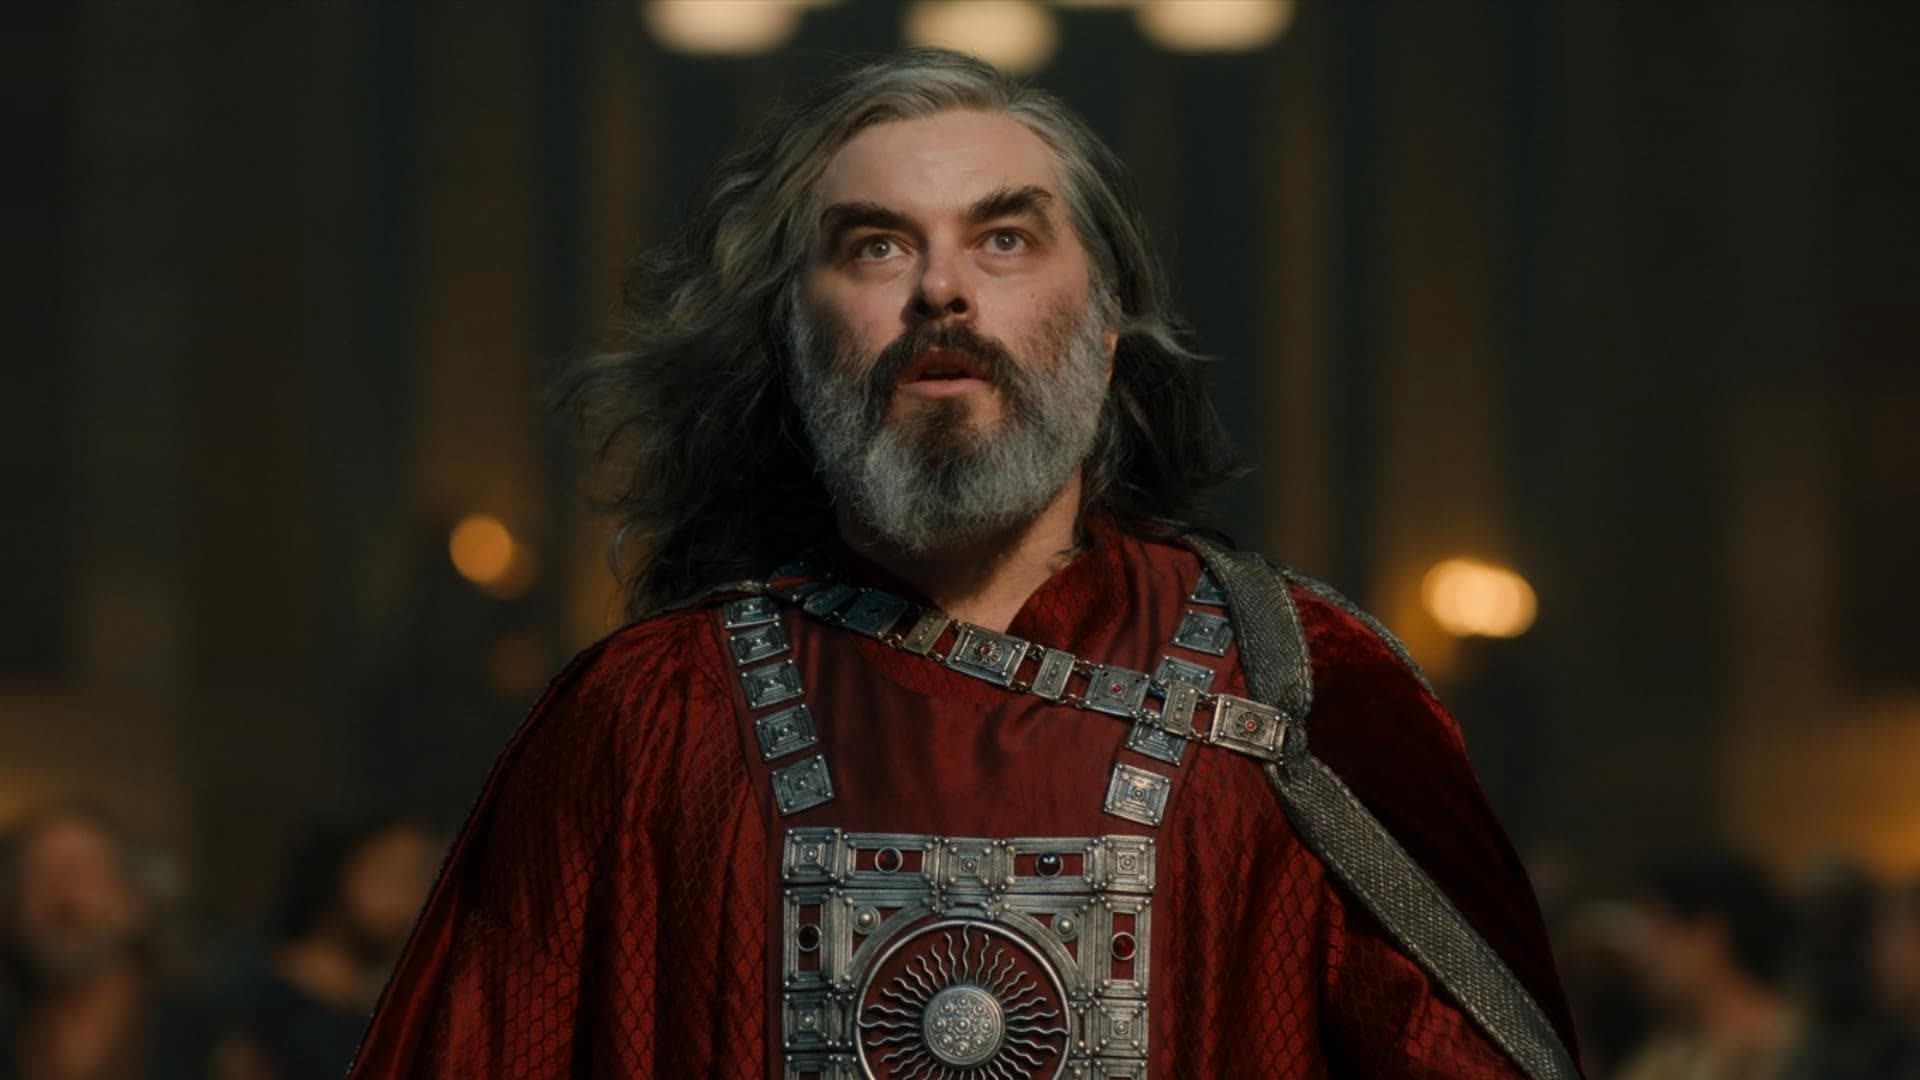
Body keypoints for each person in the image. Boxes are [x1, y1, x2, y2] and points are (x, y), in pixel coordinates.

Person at [349, 49, 1577, 1078]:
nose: (941, 288)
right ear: (795, 330)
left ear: (1105, 324)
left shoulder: (1298, 689)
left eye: (1003, 238)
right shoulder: (644, 720)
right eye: (876, 248)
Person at [0, 803, 215, 1080]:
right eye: (39, 874)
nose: (61, 894)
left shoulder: (204, 1032)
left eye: (82, 871)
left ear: (133, 900)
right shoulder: (10, 1027)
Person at [212, 817, 436, 1080]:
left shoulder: (394, 1012)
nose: (409, 900)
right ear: (337, 873)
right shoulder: (250, 1000)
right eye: (391, 877)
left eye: (419, 882)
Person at [1617, 853, 1800, 1080]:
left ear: (1711, 935)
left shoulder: (1795, 1050)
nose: (1641, 951)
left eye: (1660, 928)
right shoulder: (1667, 1051)